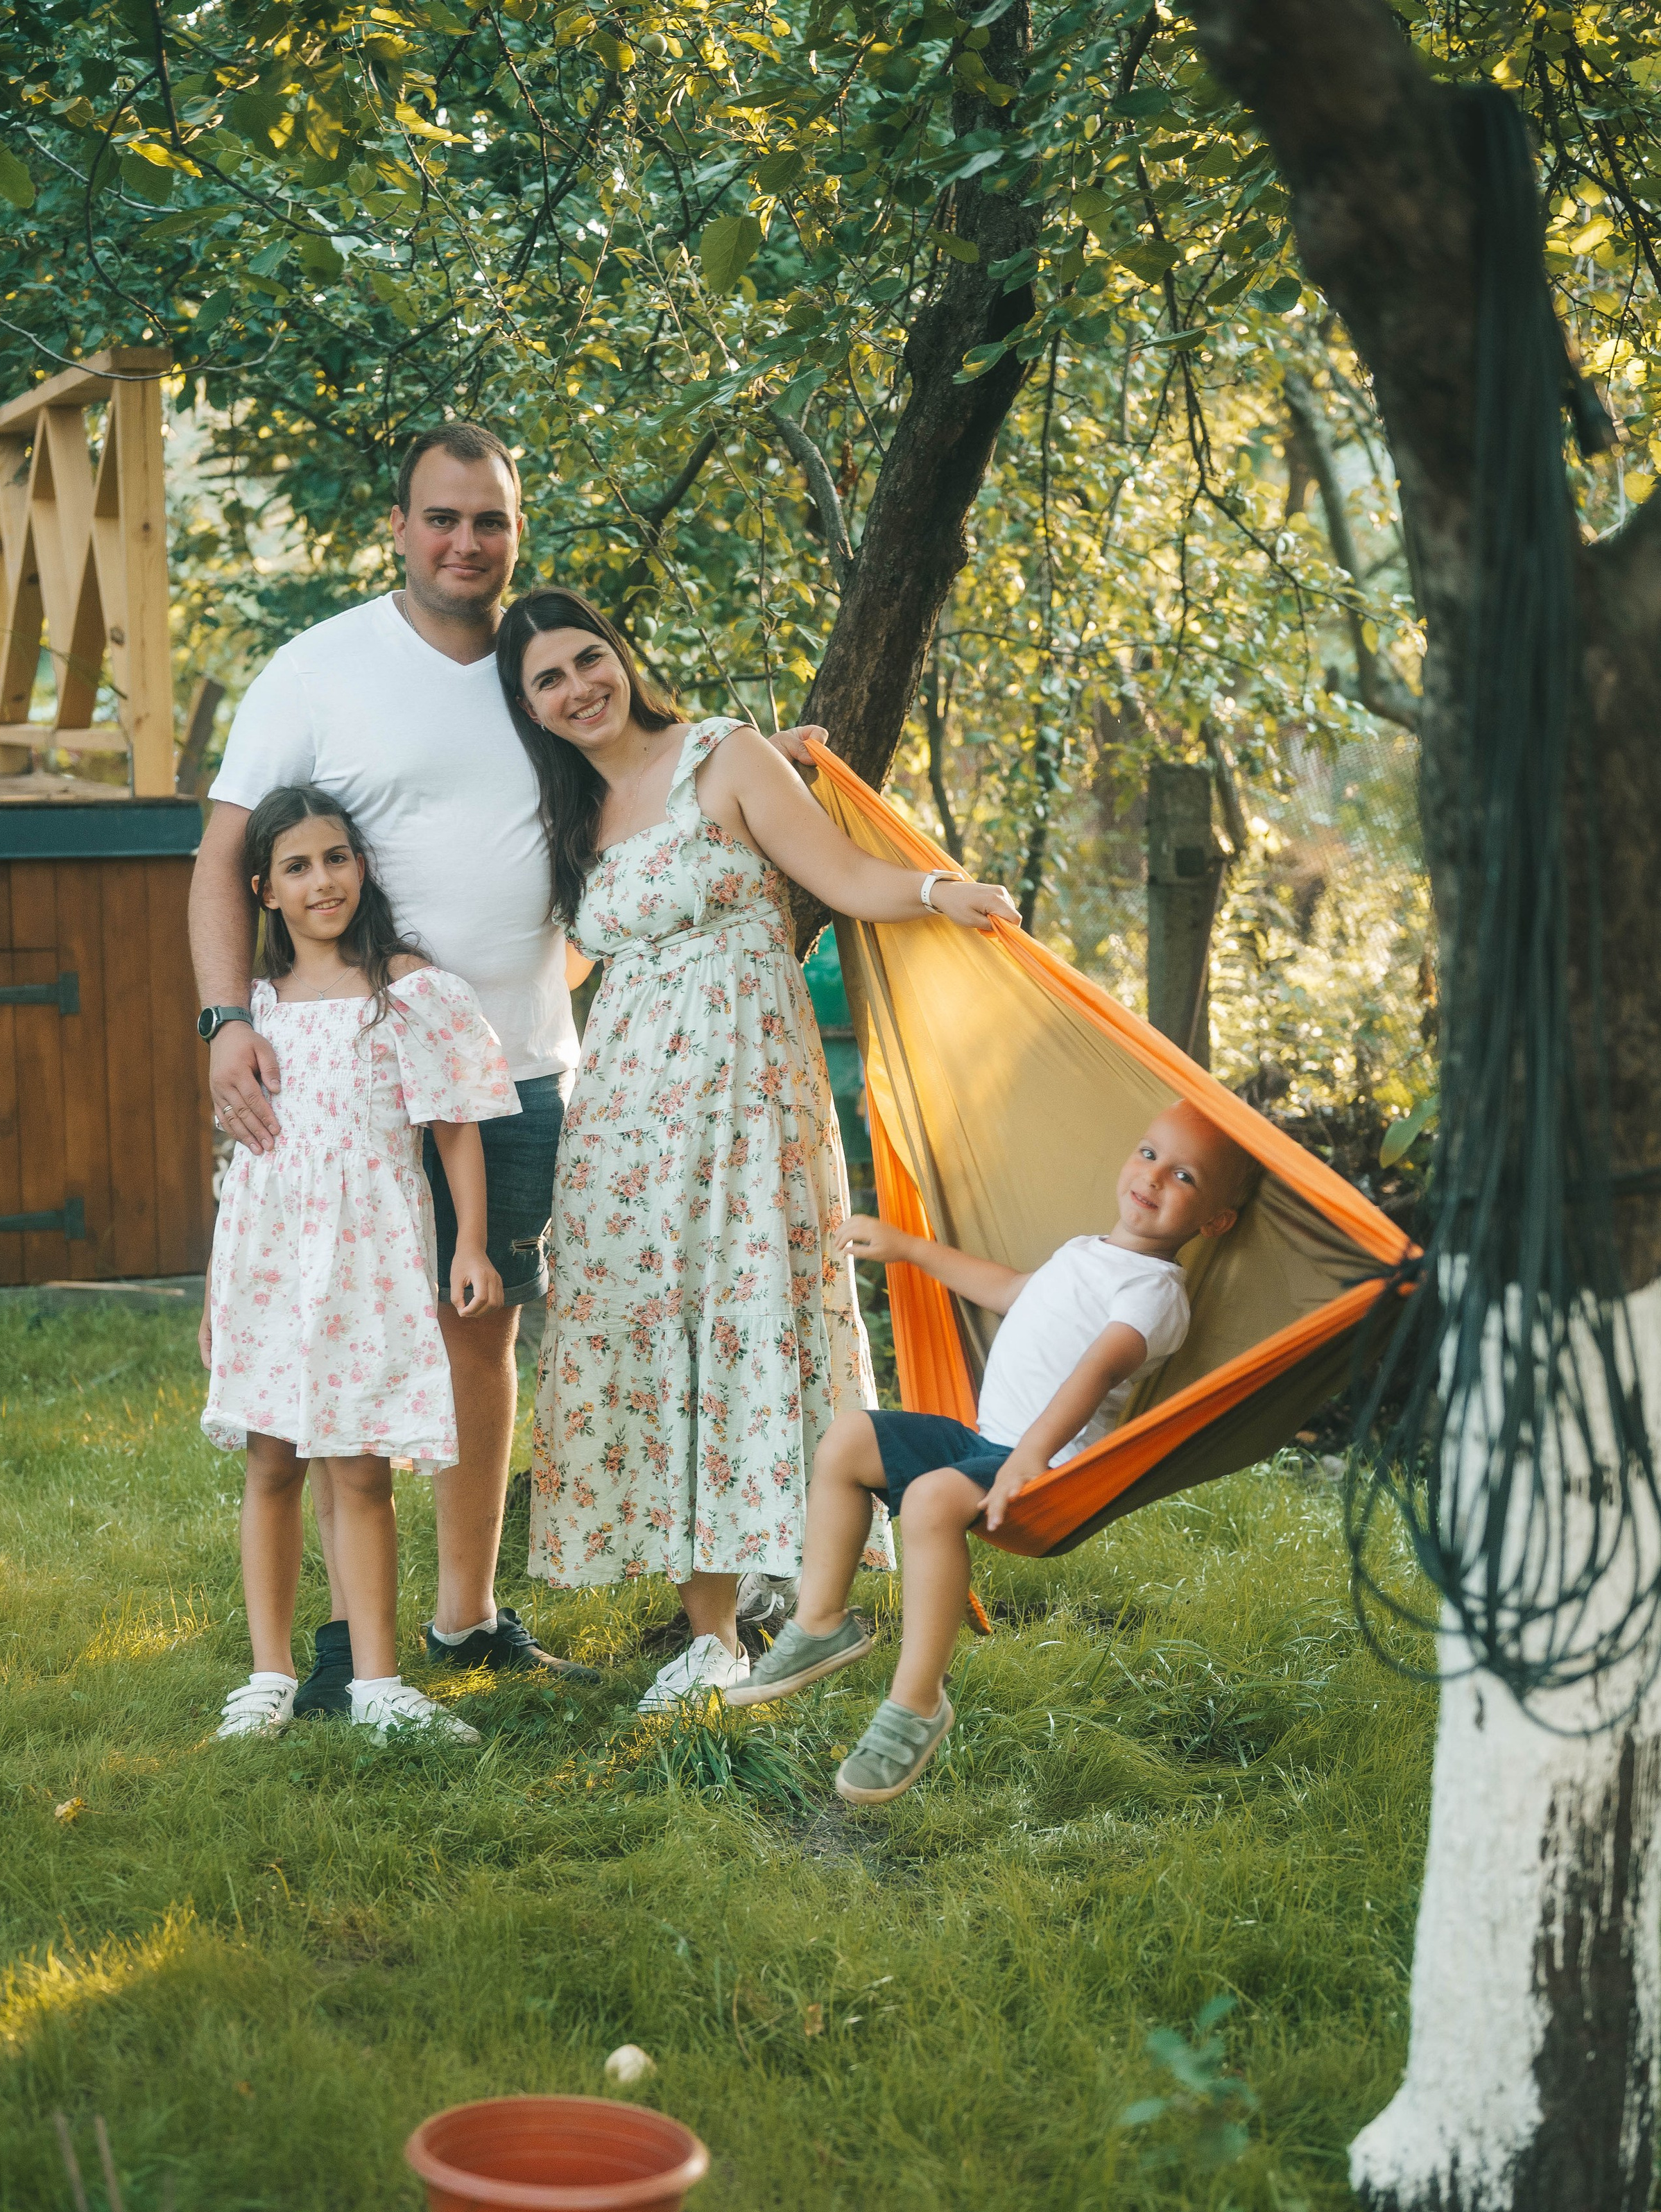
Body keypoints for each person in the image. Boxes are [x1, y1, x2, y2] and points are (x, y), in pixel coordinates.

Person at [189, 422, 821, 1715]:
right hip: (344, 1073)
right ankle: (336, 1638)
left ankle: (463, 1614)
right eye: (442, 518)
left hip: (519, 1062)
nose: (465, 542)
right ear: (400, 526)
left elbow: (650, 776)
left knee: (482, 1328)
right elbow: (223, 856)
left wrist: (784, 769)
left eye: (490, 520)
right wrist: (222, 1022)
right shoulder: (318, 670)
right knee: (337, 1325)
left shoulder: (544, 669)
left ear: (514, 529)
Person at [494, 587, 1022, 1713]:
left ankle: (793, 1592)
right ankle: (712, 1633)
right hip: (627, 1117)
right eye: (548, 679)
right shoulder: (570, 816)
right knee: (658, 1334)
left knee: (749, 1317)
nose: (578, 686)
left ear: (622, 653)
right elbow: (574, 963)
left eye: (589, 657)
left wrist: (939, 891)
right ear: (530, 706)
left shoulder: (724, 755)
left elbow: (839, 879)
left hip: (745, 1101)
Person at [730, 1100, 1260, 1802]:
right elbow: (1012, 1291)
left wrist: (1026, 1459)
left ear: (1215, 1221)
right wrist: (911, 1247)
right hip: (989, 1440)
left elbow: (1093, 1373)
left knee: (929, 1499)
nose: (1154, 1176)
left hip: (1052, 1467)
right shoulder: (1083, 1252)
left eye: (1185, 1175)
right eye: (1148, 1153)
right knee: (848, 1437)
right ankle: (820, 1622)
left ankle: (916, 1702)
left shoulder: (1154, 1293)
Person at [201, 785, 519, 1742]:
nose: (322, 880)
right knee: (270, 1460)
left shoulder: (405, 990)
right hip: (266, 1254)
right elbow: (243, 1160)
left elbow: (453, 1130)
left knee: (362, 1469)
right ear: (264, 891)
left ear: (362, 867)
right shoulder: (253, 1014)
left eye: (335, 858)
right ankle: (269, 1677)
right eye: (296, 867)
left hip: (370, 1256)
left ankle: (378, 1686)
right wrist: (221, 1296)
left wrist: (468, 1244)